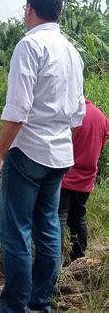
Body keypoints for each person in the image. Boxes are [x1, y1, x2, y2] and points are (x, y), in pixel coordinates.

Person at [0, 0, 86, 312]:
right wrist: (59, 145)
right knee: (48, 228)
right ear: (60, 11)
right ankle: (40, 303)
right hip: (59, 156)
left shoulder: (29, 46)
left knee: (16, 232)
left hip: (27, 152)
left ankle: (15, 307)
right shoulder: (73, 53)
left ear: (29, 8)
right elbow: (77, 115)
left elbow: (17, 110)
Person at [59, 100, 108, 263]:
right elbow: (101, 147)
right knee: (78, 217)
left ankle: (54, 261)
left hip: (66, 175)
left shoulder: (72, 114)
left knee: (59, 217)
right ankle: (78, 258)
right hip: (86, 179)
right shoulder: (102, 117)